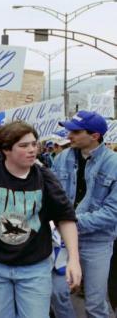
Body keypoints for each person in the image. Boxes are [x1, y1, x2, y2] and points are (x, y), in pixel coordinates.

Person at [0, 121, 81, 318]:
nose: (32, 150)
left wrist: (74, 259)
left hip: (35, 269)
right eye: (23, 146)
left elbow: (65, 218)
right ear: (6, 150)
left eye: (34, 144)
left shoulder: (45, 178)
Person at [50, 111, 117, 318]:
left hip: (97, 242)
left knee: (95, 304)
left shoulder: (114, 164)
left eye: (76, 131)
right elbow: (51, 196)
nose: (69, 135)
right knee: (56, 293)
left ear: (95, 135)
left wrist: (69, 223)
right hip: (60, 239)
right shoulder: (61, 159)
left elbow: (112, 213)